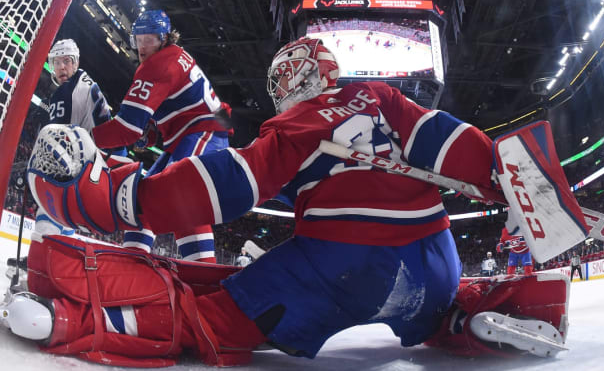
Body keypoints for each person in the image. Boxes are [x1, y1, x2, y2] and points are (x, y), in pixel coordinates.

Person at [7, 37, 575, 365]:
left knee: (217, 318)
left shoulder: (296, 125)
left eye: (283, 81)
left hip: (342, 269)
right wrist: (500, 174)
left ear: (299, 79)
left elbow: (227, 184)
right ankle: (463, 317)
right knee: (430, 306)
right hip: (437, 261)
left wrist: (126, 197)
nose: (280, 92)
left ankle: (70, 321)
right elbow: (452, 144)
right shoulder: (383, 98)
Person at [90, 10, 230, 263]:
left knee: (182, 194)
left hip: (204, 133)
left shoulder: (158, 65)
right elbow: (169, 110)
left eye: (149, 40)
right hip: (190, 136)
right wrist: (151, 133)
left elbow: (126, 129)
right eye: (138, 40)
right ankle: (132, 265)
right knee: (140, 199)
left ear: (164, 39)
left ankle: (203, 274)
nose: (142, 47)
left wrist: (87, 136)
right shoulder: (173, 56)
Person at [30, 39, 122, 242]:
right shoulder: (86, 82)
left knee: (50, 197)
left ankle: (41, 258)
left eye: (67, 61)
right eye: (56, 62)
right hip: (107, 166)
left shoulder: (66, 92)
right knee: (67, 208)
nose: (62, 67)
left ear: (76, 63)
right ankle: (60, 257)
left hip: (98, 169)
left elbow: (57, 143)